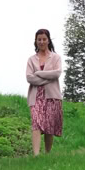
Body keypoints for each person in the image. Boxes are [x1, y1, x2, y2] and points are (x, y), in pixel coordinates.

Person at [25, 28, 63, 156]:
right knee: (36, 123)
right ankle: (36, 155)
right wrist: (47, 79)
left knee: (49, 126)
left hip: (52, 96)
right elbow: (29, 77)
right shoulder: (31, 59)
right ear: (35, 41)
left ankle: (47, 154)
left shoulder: (56, 57)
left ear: (48, 40)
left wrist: (39, 74)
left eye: (44, 39)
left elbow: (57, 73)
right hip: (35, 96)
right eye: (39, 39)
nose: (41, 42)